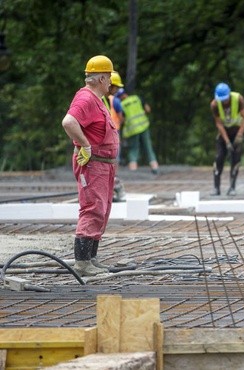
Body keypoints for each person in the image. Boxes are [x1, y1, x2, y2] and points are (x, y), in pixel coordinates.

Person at [61, 55, 118, 276]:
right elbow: (68, 122)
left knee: (101, 210)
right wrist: (85, 145)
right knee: (92, 208)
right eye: (110, 78)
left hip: (103, 166)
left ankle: (91, 258)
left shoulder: (97, 99)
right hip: (92, 164)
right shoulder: (85, 98)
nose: (111, 83)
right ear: (102, 78)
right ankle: (83, 263)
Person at [210, 82, 244, 196]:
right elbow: (219, 124)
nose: (223, 102)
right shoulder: (214, 105)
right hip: (224, 133)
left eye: (225, 100)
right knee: (219, 157)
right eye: (220, 100)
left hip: (237, 131)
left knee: (235, 159)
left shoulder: (238, 99)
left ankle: (232, 187)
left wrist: (240, 134)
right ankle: (216, 188)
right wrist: (226, 141)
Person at [116, 88, 159, 174]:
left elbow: (122, 119)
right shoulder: (137, 98)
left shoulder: (121, 104)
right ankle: (154, 167)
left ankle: (133, 171)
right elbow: (148, 109)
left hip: (132, 130)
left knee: (133, 149)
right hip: (143, 126)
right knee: (148, 147)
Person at [103, 71, 126, 202]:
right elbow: (121, 118)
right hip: (110, 135)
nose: (117, 90)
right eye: (116, 87)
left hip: (112, 135)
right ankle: (110, 189)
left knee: (111, 164)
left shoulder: (108, 99)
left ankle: (110, 190)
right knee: (110, 164)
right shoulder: (113, 100)